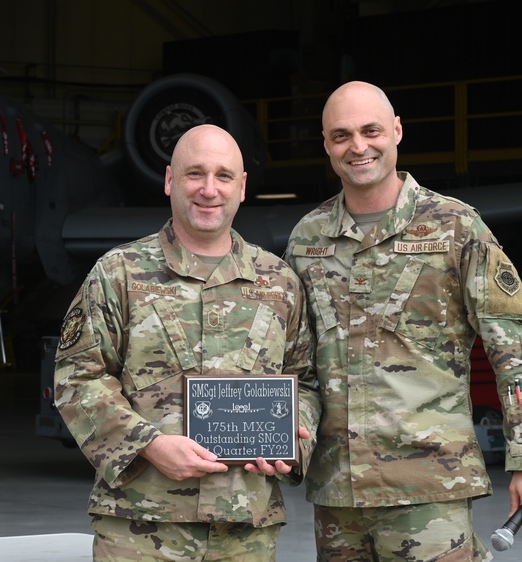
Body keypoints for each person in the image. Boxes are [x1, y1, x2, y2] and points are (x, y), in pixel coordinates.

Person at [284, 81, 522, 561]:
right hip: (337, 494)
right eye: (341, 135)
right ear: (326, 145)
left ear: (396, 131)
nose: (358, 146)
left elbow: (513, 345)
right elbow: (297, 362)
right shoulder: (307, 240)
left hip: (429, 488)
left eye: (371, 130)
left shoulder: (455, 227)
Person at [54, 124, 321, 561]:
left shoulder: (280, 283)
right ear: (169, 180)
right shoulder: (119, 273)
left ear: (242, 187)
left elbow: (306, 381)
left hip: (244, 529)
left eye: (223, 176)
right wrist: (149, 445)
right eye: (195, 174)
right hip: (141, 528)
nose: (209, 190)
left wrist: (292, 444)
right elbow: (76, 378)